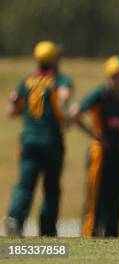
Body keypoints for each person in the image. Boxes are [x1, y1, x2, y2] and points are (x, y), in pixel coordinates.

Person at [5, 41, 73, 237]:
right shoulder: (59, 80)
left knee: (25, 184)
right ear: (53, 60)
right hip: (51, 141)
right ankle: (48, 229)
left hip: (29, 140)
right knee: (51, 188)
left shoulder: (26, 81)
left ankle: (15, 219)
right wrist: (65, 114)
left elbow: (13, 110)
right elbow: (64, 98)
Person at [71, 56, 119, 238]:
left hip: (116, 152)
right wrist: (94, 134)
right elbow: (75, 114)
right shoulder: (100, 94)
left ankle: (112, 235)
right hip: (99, 152)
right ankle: (89, 234)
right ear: (112, 76)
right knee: (95, 196)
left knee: (115, 196)